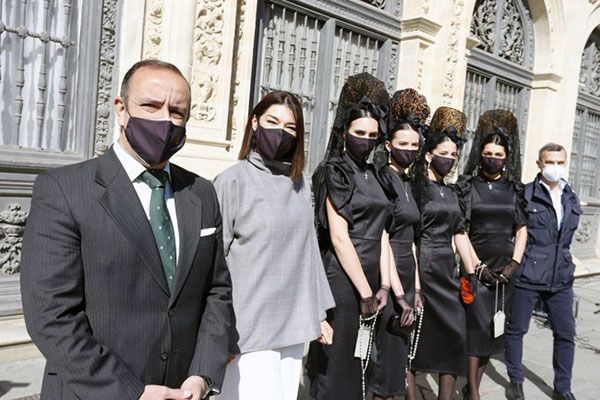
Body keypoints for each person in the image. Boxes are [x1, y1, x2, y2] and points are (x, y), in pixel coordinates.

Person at [20, 59, 232, 400]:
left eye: (177, 111)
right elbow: (51, 316)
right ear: (121, 109)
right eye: (150, 105)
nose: (164, 119)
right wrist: (131, 392)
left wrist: (203, 374)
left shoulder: (202, 193)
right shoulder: (64, 189)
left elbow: (216, 292)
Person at [212, 91, 335, 400]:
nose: (282, 132)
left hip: (293, 326)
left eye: (291, 127)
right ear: (254, 122)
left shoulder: (301, 182)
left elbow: (308, 251)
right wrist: (217, 329)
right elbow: (214, 262)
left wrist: (318, 313)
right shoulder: (232, 181)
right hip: (247, 328)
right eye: (273, 122)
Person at [308, 73, 393, 400]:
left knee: (362, 368)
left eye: (373, 135)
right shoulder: (336, 170)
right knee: (336, 369)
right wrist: (365, 292)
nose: (366, 140)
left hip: (371, 282)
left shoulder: (374, 173)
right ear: (345, 133)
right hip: (344, 284)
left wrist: (383, 285)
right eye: (359, 133)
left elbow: (383, 231)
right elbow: (340, 237)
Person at [454, 110, 528, 400]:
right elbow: (460, 230)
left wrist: (514, 264)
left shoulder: (515, 190)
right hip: (476, 268)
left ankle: (470, 387)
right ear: (479, 154)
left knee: (491, 333)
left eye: (498, 153)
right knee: (474, 332)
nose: (492, 158)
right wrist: (477, 268)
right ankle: (473, 393)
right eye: (487, 152)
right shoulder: (467, 185)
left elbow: (522, 230)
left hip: (504, 271)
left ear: (506, 157)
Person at [409, 106, 478, 400]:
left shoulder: (452, 193)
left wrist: (473, 270)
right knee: (415, 340)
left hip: (447, 273)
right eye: (443, 154)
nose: (448, 160)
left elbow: (459, 233)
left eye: (453, 156)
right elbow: (408, 236)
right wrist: (412, 281)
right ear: (428, 154)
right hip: (423, 266)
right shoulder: (415, 188)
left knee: (454, 336)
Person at [505, 143, 581, 400]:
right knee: (516, 330)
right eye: (550, 162)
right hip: (529, 273)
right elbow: (515, 233)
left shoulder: (570, 195)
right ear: (539, 164)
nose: (555, 167)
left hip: (560, 277)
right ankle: (515, 380)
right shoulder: (526, 194)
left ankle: (563, 387)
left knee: (566, 334)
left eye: (560, 162)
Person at [369, 88, 430, 400]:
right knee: (386, 361)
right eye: (402, 144)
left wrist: (416, 288)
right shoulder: (384, 179)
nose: (409, 149)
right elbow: (385, 240)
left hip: (407, 275)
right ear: (388, 144)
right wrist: (398, 294)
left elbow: (411, 243)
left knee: (401, 357)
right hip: (389, 276)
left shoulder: (408, 182)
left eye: (414, 145)